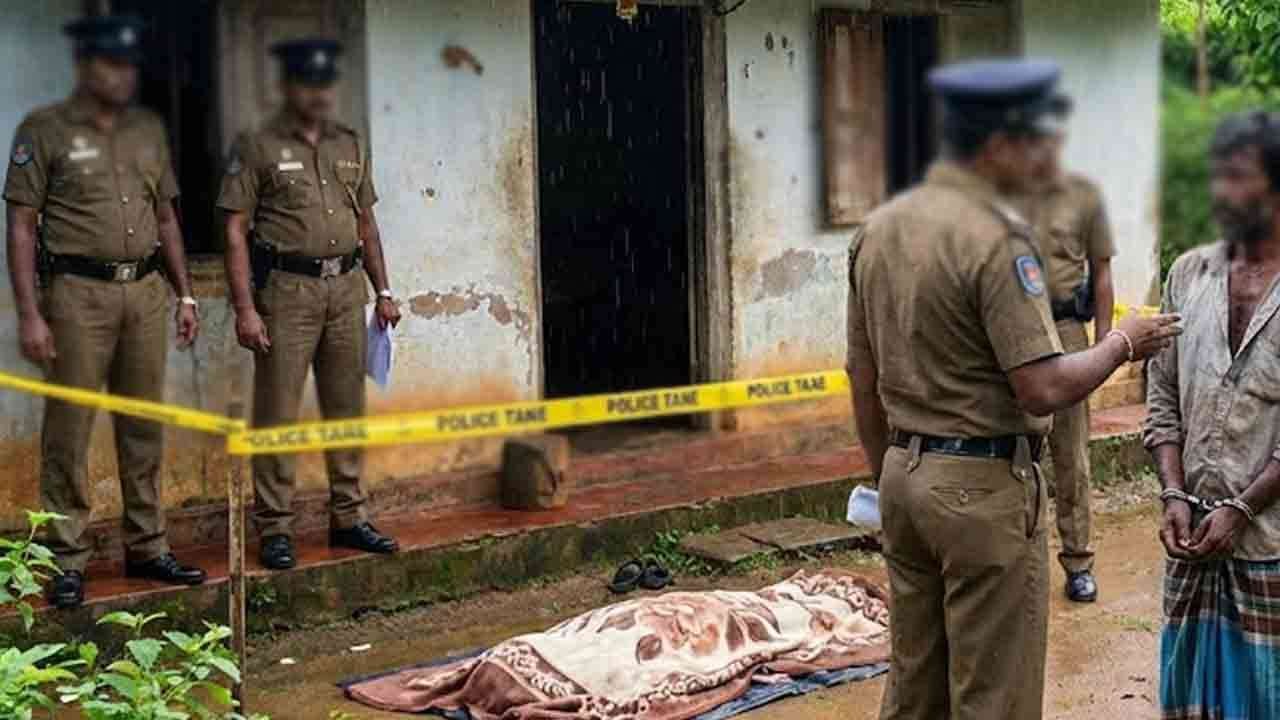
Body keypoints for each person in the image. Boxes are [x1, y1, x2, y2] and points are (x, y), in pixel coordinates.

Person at [847, 59, 1181, 720]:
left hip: (903, 481)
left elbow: (861, 377)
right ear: (996, 144)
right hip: (981, 492)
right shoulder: (997, 240)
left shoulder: (876, 230)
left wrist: (889, 471)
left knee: (915, 690)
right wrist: (1122, 343)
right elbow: (1041, 386)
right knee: (994, 696)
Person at [3, 15, 207, 609]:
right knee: (69, 428)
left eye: (129, 66)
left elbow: (166, 217)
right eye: (112, 65)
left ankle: (147, 546)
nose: (123, 76)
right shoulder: (43, 130)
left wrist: (186, 293)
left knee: (143, 423)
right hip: (76, 296)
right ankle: (65, 559)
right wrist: (31, 315)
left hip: (143, 292)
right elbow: (21, 226)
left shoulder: (147, 130)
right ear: (85, 65)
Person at [218, 37, 401, 571]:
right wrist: (245, 308)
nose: (319, 94)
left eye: (325, 85)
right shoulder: (257, 145)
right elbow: (233, 231)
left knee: (346, 407)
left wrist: (384, 291)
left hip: (346, 289)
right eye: (308, 84)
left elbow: (366, 224)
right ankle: (275, 527)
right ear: (287, 87)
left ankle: (349, 517)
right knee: (278, 413)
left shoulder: (349, 143)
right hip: (287, 293)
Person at [1147, 111, 1280, 719]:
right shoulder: (1189, 274)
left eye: (1239, 176)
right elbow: (1162, 395)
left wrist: (1243, 508)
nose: (1221, 192)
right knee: (1188, 701)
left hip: (1269, 544)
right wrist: (1174, 492)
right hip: (1193, 540)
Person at [1019, 96, 1117, 603]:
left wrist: (1107, 348)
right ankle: (1019, 560)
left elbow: (1102, 274)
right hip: (1014, 338)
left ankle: (1079, 561)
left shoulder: (1085, 197)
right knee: (1015, 452)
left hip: (1068, 333)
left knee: (1071, 456)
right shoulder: (1000, 200)